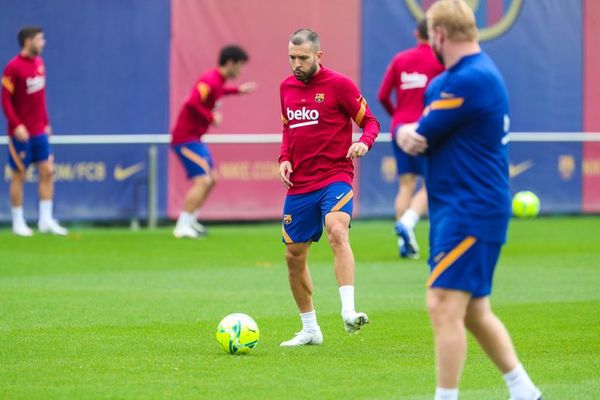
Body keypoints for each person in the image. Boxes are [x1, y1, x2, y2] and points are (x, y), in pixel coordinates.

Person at [397, 1, 542, 399]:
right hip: (460, 208)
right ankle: (525, 391)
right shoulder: (470, 75)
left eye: (432, 38)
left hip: (470, 209)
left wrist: (405, 131)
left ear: (439, 35)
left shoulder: (465, 79)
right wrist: (409, 132)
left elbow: (419, 135)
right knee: (475, 310)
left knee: (442, 303)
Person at [278, 29, 380, 346]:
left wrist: (364, 143)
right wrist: (284, 157)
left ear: (319, 56)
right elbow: (287, 129)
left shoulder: (340, 85)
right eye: (292, 57)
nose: (297, 64)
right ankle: (310, 329)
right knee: (294, 257)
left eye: (303, 58)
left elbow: (371, 122)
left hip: (335, 175)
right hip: (300, 184)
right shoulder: (285, 88)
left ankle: (348, 311)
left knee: (337, 229)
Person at [170, 45, 256, 238]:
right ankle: (181, 226)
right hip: (185, 139)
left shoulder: (218, 82)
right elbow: (192, 101)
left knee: (212, 179)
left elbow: (219, 92)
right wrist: (211, 117)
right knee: (204, 180)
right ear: (231, 63)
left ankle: (191, 221)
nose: (241, 71)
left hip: (195, 139)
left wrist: (238, 91)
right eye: (240, 66)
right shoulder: (210, 79)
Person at [378, 19, 444, 259]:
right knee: (432, 183)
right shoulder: (439, 59)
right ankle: (408, 222)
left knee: (406, 185)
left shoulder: (400, 59)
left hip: (400, 128)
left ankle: (403, 243)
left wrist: (397, 116)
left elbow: (383, 95)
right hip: (426, 127)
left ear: (417, 33)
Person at [1, 26, 67, 236]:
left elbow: (41, 98)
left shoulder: (39, 64)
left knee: (48, 171)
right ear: (28, 41)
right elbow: (5, 99)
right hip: (21, 133)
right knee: (20, 174)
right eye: (39, 39)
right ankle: (18, 222)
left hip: (39, 130)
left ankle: (46, 220)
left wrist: (46, 122)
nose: (43, 43)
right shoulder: (13, 67)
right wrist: (16, 124)